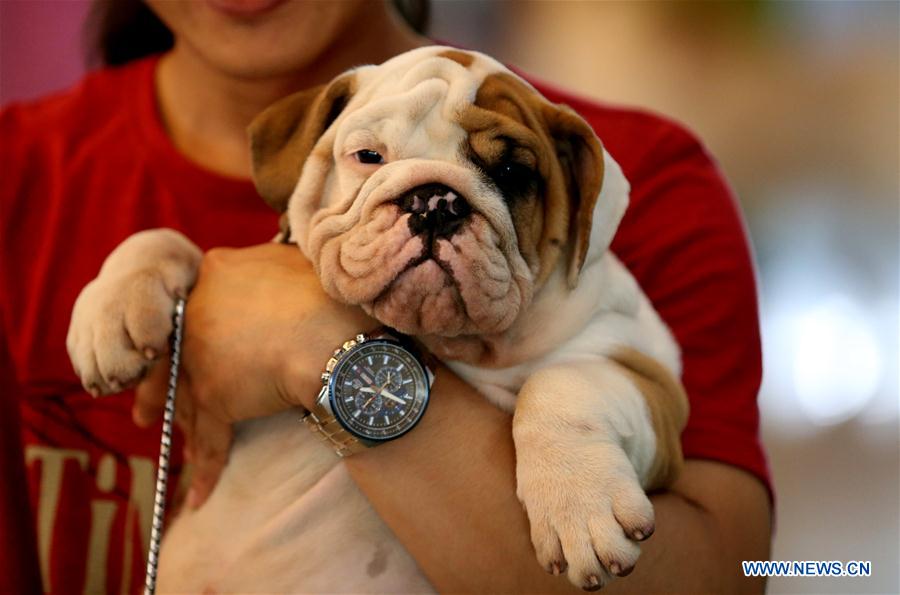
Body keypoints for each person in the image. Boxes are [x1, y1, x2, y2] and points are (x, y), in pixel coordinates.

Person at [0, 0, 772, 592]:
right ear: (310, 155)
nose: (429, 209)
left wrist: (313, 344)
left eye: (500, 176)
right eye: (370, 159)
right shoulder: (23, 178)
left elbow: (743, 576)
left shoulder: (611, 180)